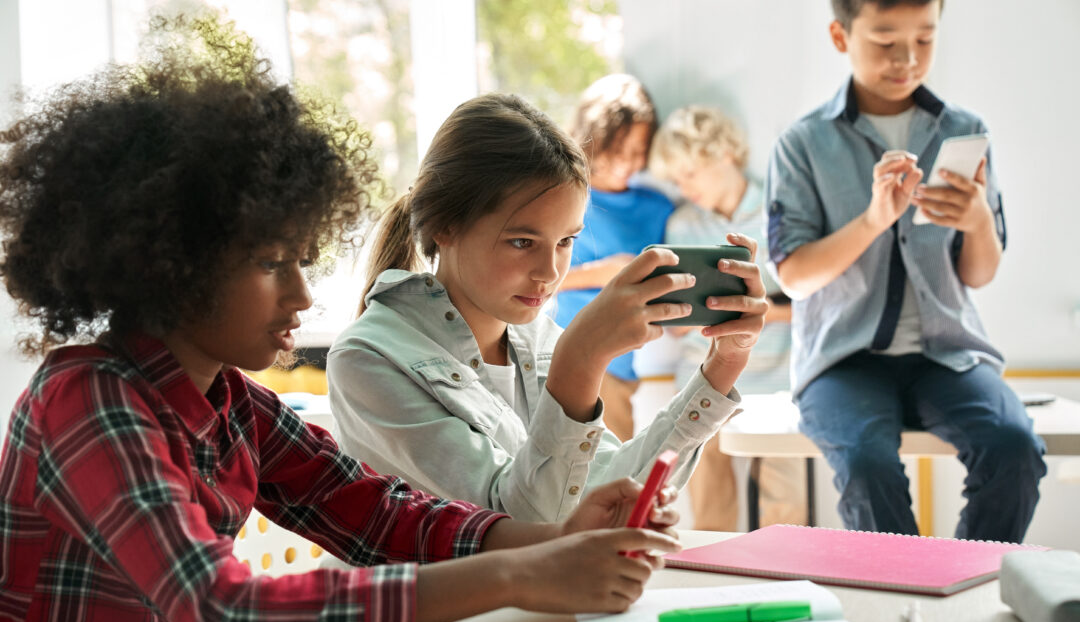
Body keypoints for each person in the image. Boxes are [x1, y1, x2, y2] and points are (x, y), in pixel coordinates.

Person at [0, 16, 685, 622]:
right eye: (272, 264)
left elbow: (379, 513)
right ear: (173, 263)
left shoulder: (234, 404)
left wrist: (554, 541)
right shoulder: (86, 400)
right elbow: (230, 617)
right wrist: (519, 570)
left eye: (302, 259)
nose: (301, 296)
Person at [326, 93, 768, 523]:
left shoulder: (536, 338)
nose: (549, 272)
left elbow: (610, 493)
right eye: (522, 241)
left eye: (566, 241)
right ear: (446, 225)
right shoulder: (368, 361)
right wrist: (581, 359)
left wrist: (724, 364)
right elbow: (524, 529)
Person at [765, 0, 1046, 541]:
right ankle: (901, 601)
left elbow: (980, 274)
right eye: (886, 41)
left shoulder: (964, 129)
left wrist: (978, 220)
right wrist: (873, 219)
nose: (908, 59)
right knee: (869, 469)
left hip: (948, 352)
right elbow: (794, 277)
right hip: (842, 360)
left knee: (1014, 450)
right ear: (840, 36)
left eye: (925, 39)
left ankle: (962, 593)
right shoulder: (802, 143)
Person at [650, 105, 806, 530]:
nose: (684, 186)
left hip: (776, 382)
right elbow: (678, 313)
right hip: (701, 377)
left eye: (691, 173)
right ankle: (714, 583)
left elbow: (811, 302)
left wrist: (757, 312)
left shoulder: (782, 213)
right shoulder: (682, 224)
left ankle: (783, 582)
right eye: (677, 178)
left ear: (725, 156)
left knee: (785, 505)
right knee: (708, 502)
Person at [551, 74, 674, 441]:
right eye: (619, 150)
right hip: (565, 352)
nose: (628, 162)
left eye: (639, 151)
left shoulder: (658, 208)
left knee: (611, 476)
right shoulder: (564, 196)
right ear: (594, 138)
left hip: (623, 363)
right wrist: (604, 273)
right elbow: (536, 278)